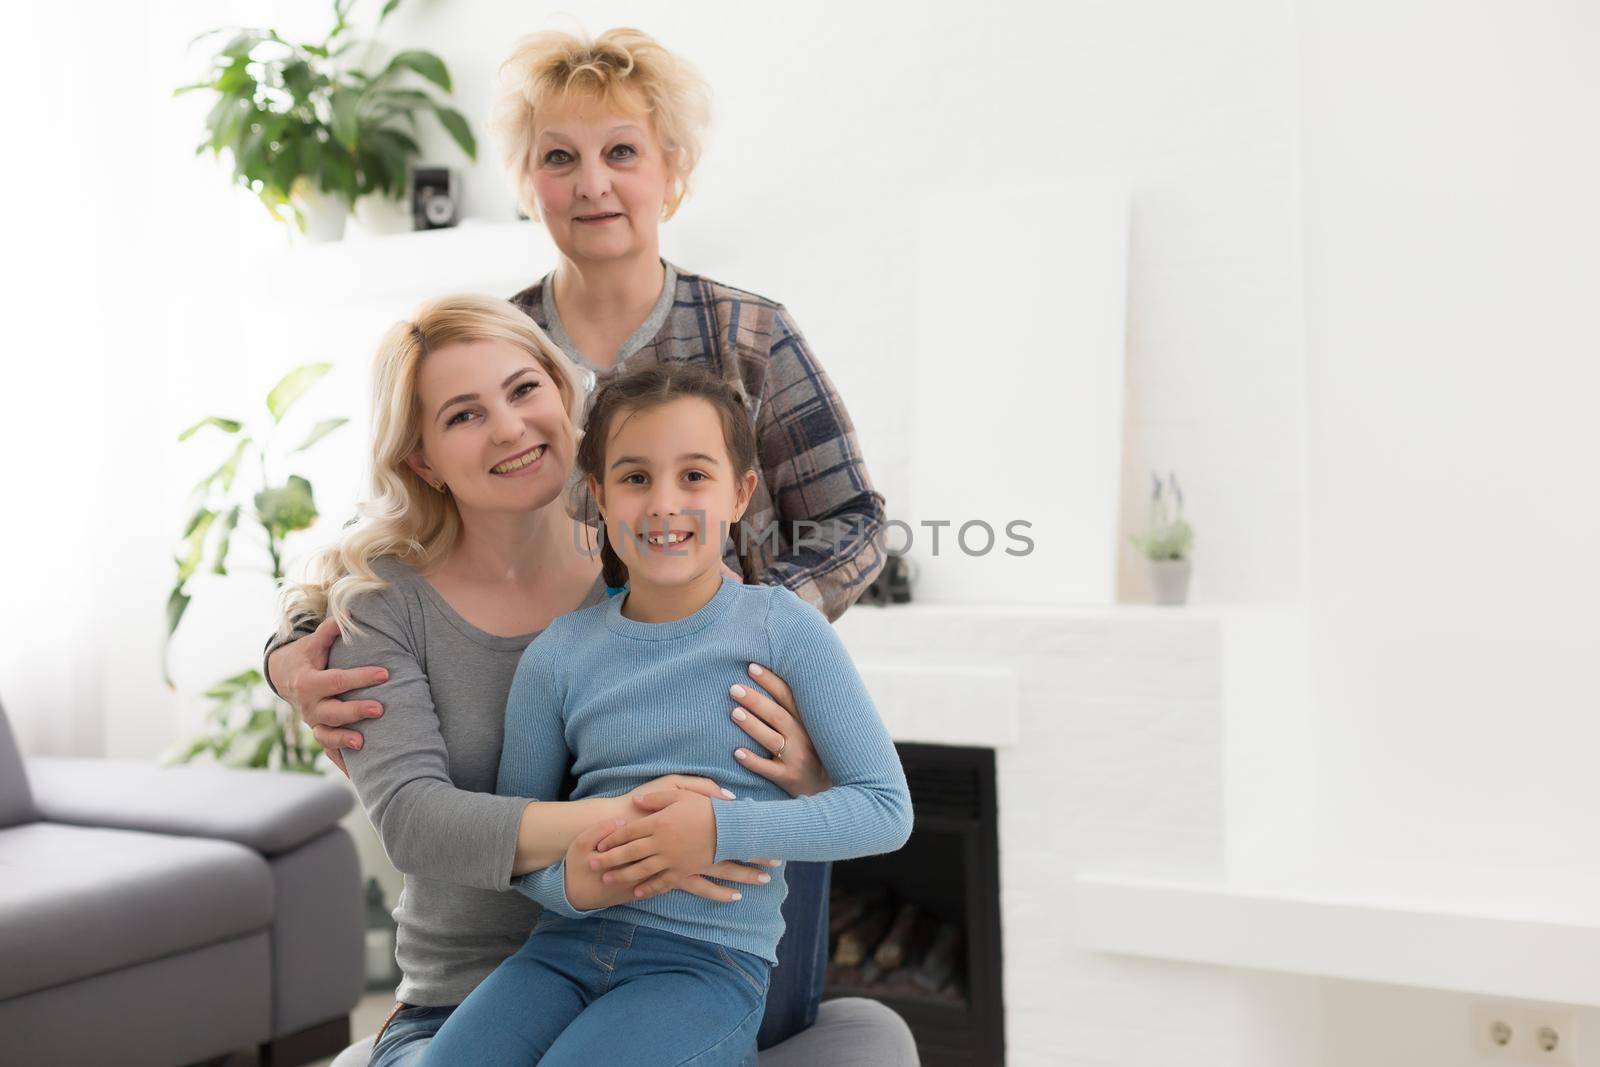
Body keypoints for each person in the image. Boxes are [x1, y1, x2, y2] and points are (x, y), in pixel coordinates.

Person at [264, 27, 887, 1055]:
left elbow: (853, 520)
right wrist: (292, 640)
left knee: (743, 1004)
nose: (592, 182)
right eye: (559, 156)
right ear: (527, 181)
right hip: (558, 924)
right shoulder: (490, 344)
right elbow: (379, 533)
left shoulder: (749, 332)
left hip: (744, 755)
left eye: (622, 152)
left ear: (670, 172)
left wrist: (754, 642)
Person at [419, 363, 911, 1064]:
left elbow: (885, 808)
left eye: (694, 475)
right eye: (635, 477)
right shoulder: (558, 655)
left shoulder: (785, 629)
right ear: (599, 497)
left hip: (705, 966)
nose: (663, 504)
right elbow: (518, 836)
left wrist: (713, 829)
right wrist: (574, 883)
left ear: (741, 492)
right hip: (559, 952)